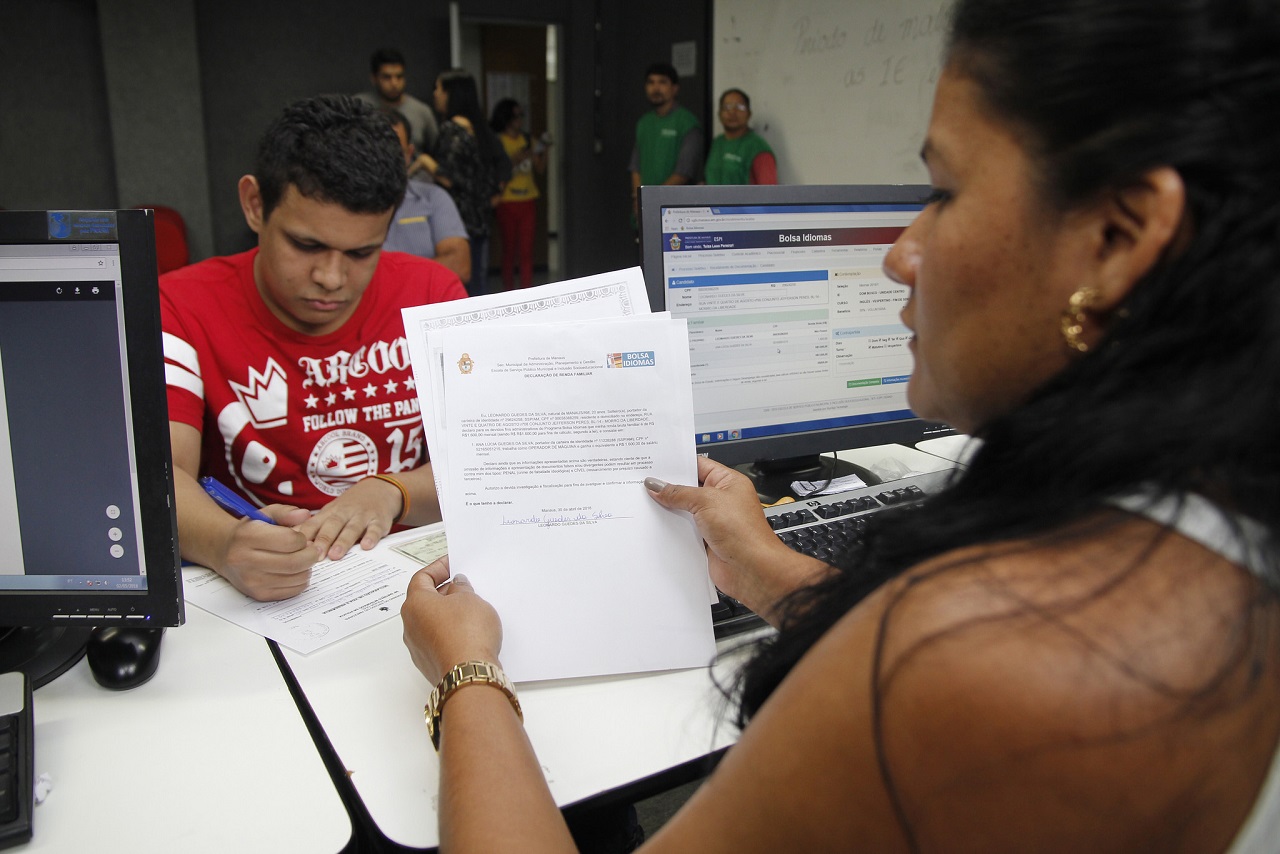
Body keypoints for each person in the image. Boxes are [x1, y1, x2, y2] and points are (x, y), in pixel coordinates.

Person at [400, 0, 1280, 849]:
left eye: (944, 192)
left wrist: (467, 675)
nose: (900, 252)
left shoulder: (1007, 652)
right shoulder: (1216, 521)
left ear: (1121, 236)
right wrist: (769, 570)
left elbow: (947, 681)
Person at [161, 95, 467, 602]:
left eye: (362, 253)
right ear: (255, 204)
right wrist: (222, 541)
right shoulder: (181, 305)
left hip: (409, 581)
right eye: (305, 246)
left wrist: (395, 490)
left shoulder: (433, 295)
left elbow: (481, 460)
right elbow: (161, 474)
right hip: (257, 587)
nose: (330, 278)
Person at [416, 69, 511, 297]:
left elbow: (449, 177)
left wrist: (425, 162)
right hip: (480, 219)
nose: (435, 95)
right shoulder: (480, 129)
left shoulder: (452, 130)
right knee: (478, 281)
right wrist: (494, 195)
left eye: (438, 89)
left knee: (459, 287)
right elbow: (503, 166)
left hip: (458, 221)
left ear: (451, 94)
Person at [381, 109, 471, 284]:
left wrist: (389, 281)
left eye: (395, 151)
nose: (386, 161)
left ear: (409, 154)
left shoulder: (433, 198)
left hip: (424, 307)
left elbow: (460, 266)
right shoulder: (343, 206)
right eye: (378, 152)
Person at [628, 62, 702, 225]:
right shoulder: (644, 122)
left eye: (662, 82)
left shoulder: (687, 123)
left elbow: (684, 172)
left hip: (674, 213)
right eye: (651, 82)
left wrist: (653, 201)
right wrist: (638, 199)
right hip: (644, 208)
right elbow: (635, 167)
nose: (656, 88)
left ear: (675, 88)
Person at [489, 98, 548, 290]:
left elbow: (540, 169)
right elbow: (498, 169)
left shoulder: (528, 139)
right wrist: (517, 158)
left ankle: (527, 290)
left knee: (526, 251)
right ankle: (508, 291)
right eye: (516, 116)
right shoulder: (498, 141)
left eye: (522, 116)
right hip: (507, 201)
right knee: (509, 250)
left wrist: (543, 151)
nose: (520, 120)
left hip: (528, 199)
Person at [355, 47, 438, 155]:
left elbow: (437, 154)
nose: (394, 83)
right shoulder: (359, 107)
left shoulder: (422, 112)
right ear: (374, 78)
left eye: (399, 76)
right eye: (387, 77)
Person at [704, 88, 776, 185]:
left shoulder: (757, 148)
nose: (732, 112)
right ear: (719, 114)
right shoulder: (718, 142)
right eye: (727, 107)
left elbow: (770, 193)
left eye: (740, 107)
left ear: (749, 114)